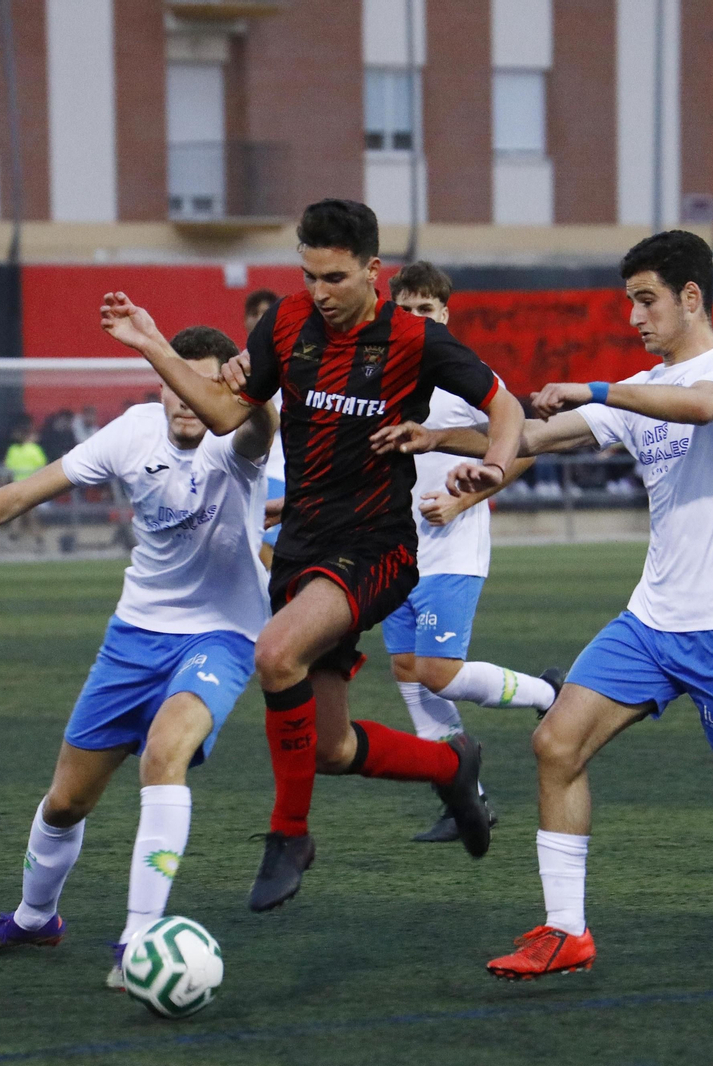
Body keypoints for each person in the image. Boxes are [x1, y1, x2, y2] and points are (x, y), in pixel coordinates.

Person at [375, 231, 713, 979]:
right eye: (630, 300)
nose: (634, 315)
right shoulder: (639, 390)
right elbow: (533, 434)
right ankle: (566, 930)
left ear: (690, 298)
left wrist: (600, 389)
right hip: (651, 624)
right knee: (556, 745)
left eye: (646, 299)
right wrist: (444, 439)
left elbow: (700, 406)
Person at [100, 198, 524, 913]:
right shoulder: (288, 321)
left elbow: (505, 405)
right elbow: (229, 413)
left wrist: (496, 463)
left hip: (377, 545)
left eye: (334, 277)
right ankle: (451, 764)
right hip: (301, 547)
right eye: (309, 275)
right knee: (329, 748)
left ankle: (289, 835)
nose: (319, 293)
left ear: (372, 271)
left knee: (275, 655)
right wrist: (153, 347)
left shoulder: (414, 340)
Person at [0, 326, 277, 985]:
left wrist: (257, 385)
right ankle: (35, 918)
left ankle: (138, 943)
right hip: (133, 637)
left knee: (164, 754)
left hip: (222, 636)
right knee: (64, 803)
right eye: (173, 384)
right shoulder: (129, 433)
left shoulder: (241, 440)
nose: (184, 399)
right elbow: (21, 494)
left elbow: (261, 426)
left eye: (200, 385)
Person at [381, 261, 559, 842]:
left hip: (451, 550)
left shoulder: (465, 376)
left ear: (445, 315)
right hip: (393, 553)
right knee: (408, 669)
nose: (415, 322)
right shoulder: (378, 377)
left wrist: (463, 503)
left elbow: (525, 446)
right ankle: (466, 800)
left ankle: (547, 692)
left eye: (425, 312)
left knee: (437, 671)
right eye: (404, 311)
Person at [242, 288, 284, 569]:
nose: (260, 319)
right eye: (255, 314)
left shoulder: (289, 362)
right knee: (252, 545)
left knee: (266, 545)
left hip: (280, 468)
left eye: (266, 313)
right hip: (247, 467)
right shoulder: (239, 363)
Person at [3, 418, 48, 549]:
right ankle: (21, 540)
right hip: (18, 487)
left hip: (30, 487)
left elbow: (42, 467)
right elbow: (8, 469)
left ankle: (36, 541)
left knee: (28, 515)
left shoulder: (33, 449)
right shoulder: (13, 450)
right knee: (18, 515)